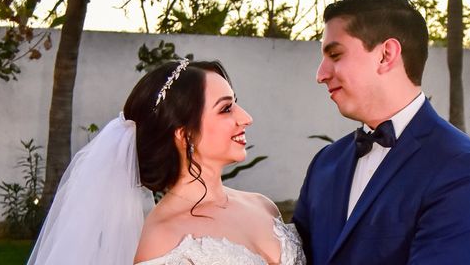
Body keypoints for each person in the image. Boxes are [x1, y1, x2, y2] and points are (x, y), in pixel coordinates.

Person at [293, 0, 470, 265]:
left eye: (335, 54)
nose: (320, 74)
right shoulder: (325, 162)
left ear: (386, 54)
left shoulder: (463, 168)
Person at [28, 59, 305, 265]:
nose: (245, 117)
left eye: (236, 103)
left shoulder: (263, 205)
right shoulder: (160, 239)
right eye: (226, 108)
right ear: (184, 135)